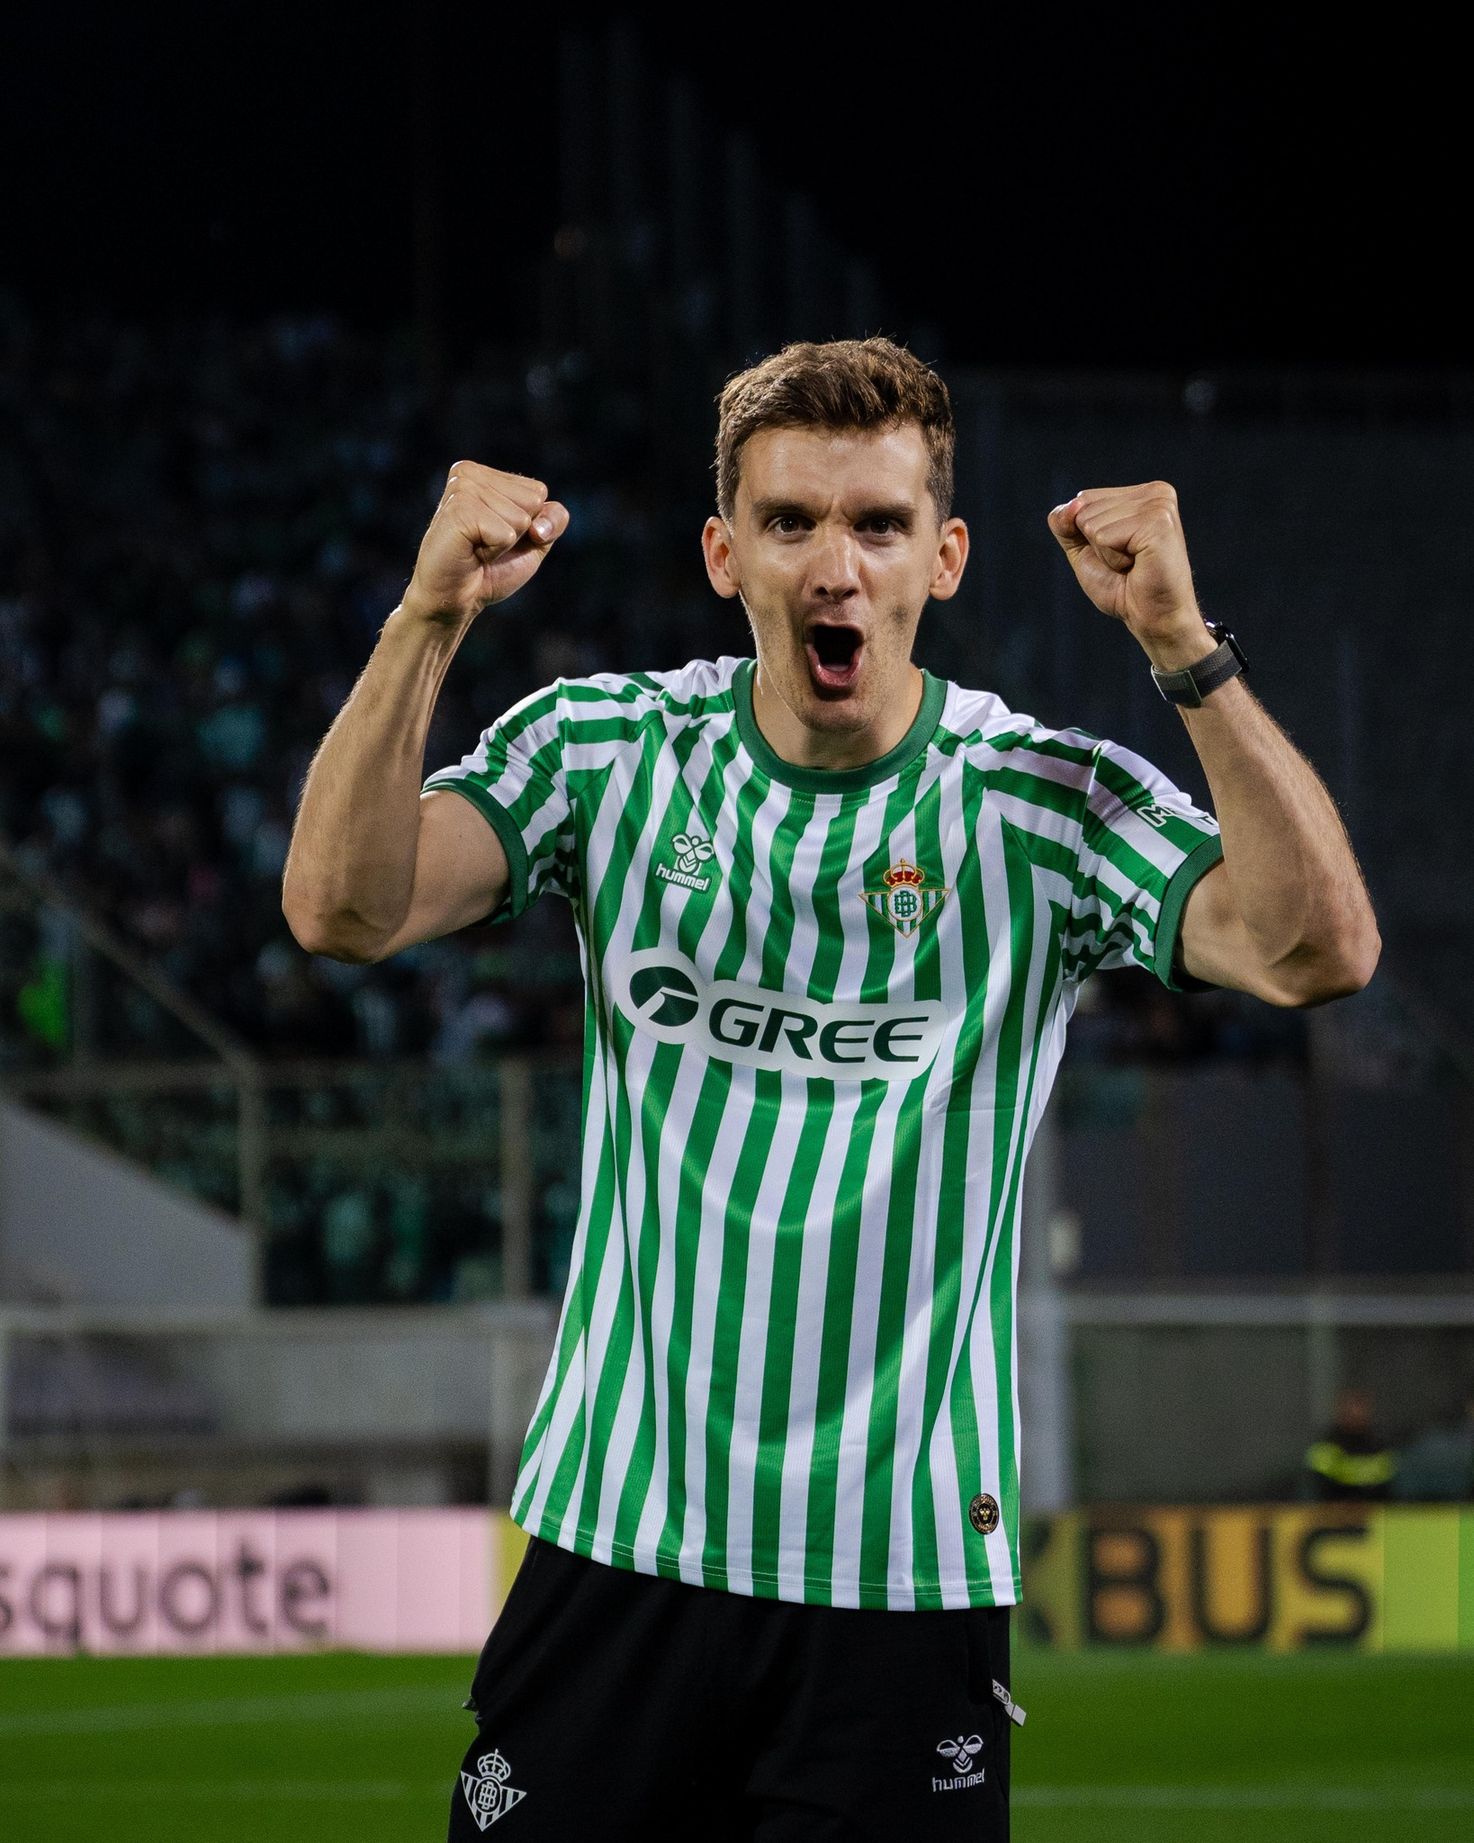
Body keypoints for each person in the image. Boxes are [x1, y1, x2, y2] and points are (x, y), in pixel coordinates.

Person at [282, 339, 1380, 1840]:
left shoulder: (1041, 805)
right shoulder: (604, 754)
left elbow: (1319, 949)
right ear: (723, 554)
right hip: (622, 1545)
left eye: (876, 523)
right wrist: (428, 617)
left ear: (945, 557)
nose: (834, 567)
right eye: (790, 522)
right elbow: (341, 908)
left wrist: (1184, 649)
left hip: (900, 1585)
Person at [1305, 1385, 1399, 1500]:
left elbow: (1385, 1481)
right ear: (1340, 1410)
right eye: (1351, 1407)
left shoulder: (1379, 1445)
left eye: (1360, 1407)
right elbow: (1323, 1484)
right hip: (1332, 1507)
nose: (1356, 1413)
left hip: (1372, 1506)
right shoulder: (1324, 1445)